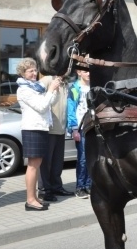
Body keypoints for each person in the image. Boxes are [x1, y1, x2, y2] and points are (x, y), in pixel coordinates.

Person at [16, 58, 62, 211]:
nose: (34, 73)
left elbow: (49, 102)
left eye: (35, 70)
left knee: (37, 165)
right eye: (30, 71)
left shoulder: (35, 88)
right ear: (23, 73)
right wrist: (50, 90)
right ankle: (30, 200)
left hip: (41, 128)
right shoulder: (24, 89)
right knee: (33, 166)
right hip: (32, 128)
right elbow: (41, 106)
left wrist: (54, 89)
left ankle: (34, 197)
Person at [38, 73, 73, 202]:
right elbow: (39, 100)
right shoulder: (47, 80)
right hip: (49, 129)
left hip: (61, 128)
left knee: (57, 162)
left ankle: (56, 187)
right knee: (46, 163)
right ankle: (44, 190)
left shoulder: (65, 84)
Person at [67, 63, 92, 198]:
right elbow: (71, 110)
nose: (88, 73)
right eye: (85, 71)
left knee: (92, 158)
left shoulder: (93, 87)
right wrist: (74, 129)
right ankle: (80, 187)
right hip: (81, 129)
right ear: (79, 73)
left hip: (93, 127)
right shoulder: (75, 89)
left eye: (89, 71)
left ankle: (89, 185)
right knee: (82, 159)